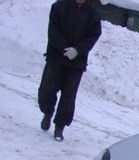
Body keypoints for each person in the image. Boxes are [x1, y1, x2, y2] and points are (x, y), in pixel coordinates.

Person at [38, 0, 101, 141]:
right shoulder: (59, 7)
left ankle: (59, 127)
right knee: (47, 90)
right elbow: (53, 31)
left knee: (68, 97)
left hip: (76, 62)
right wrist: (64, 48)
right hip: (56, 57)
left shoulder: (93, 14)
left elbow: (93, 35)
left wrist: (78, 50)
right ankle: (47, 113)